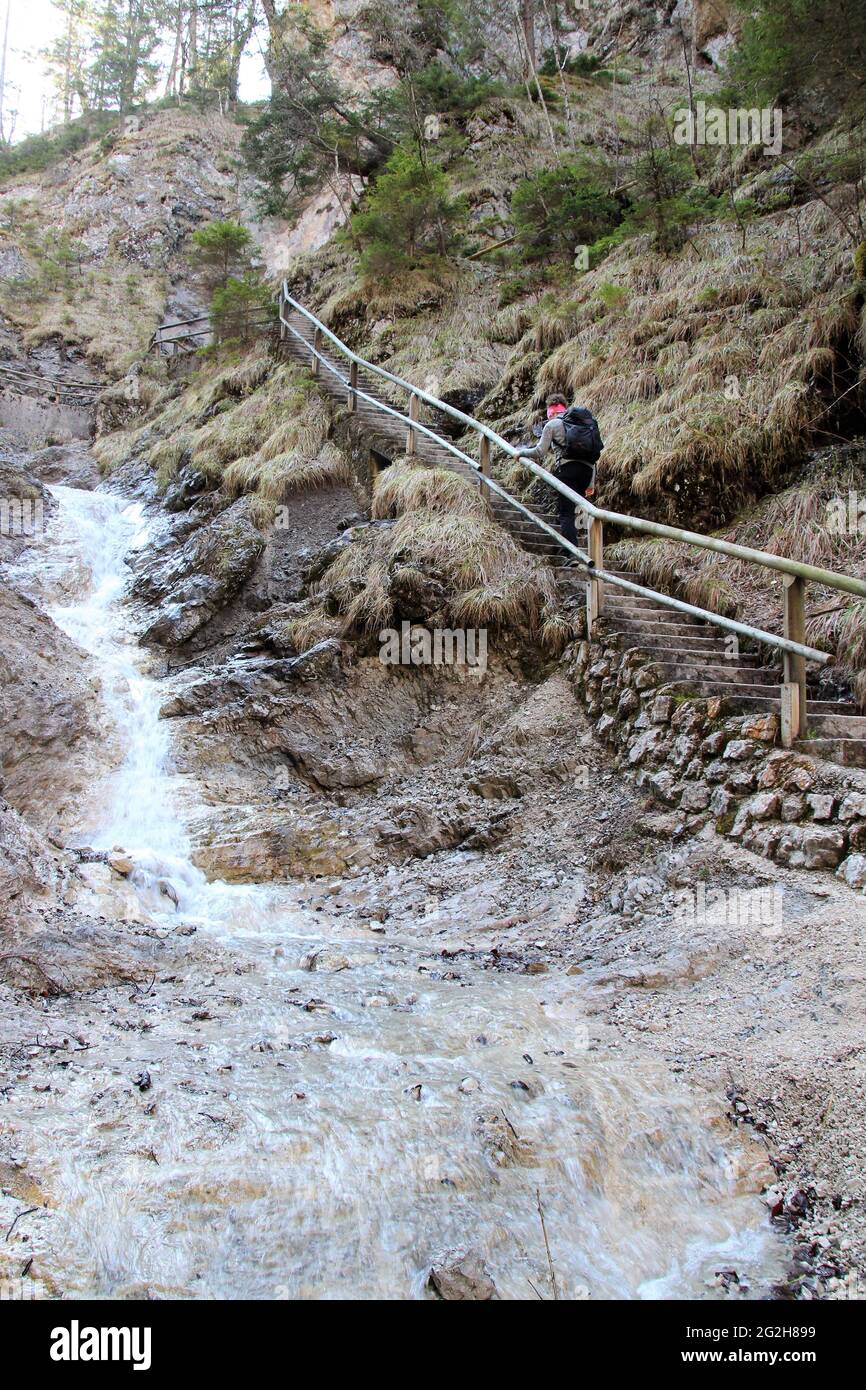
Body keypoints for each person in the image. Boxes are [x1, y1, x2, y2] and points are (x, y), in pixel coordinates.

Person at [516, 393, 601, 547]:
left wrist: (521, 453)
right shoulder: (584, 424)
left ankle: (571, 554)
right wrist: (591, 483)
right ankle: (586, 551)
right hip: (587, 472)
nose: (548, 417)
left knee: (566, 512)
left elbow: (539, 451)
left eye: (548, 414)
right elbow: (592, 455)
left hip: (567, 469)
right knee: (577, 509)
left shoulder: (552, 424)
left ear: (551, 412)